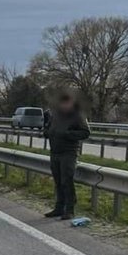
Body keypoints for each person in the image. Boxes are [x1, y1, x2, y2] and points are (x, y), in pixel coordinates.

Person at [42, 92, 90, 220]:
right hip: (55, 152)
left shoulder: (77, 115)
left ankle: (69, 209)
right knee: (58, 181)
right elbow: (48, 129)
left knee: (66, 180)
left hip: (69, 152)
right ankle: (59, 207)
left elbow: (85, 132)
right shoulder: (55, 116)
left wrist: (68, 134)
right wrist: (48, 132)